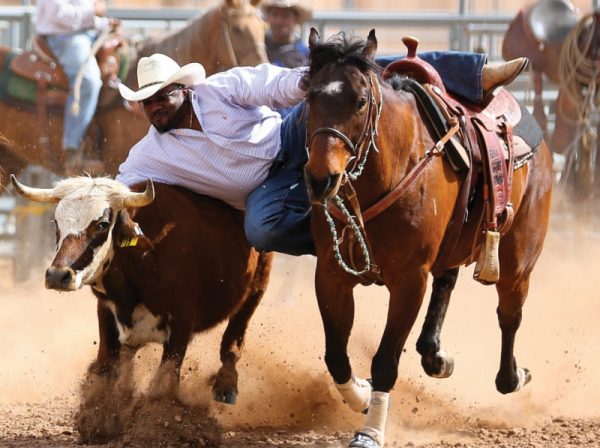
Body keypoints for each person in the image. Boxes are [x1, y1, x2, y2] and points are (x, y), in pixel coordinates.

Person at [116, 50, 527, 257]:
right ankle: (343, 243)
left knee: (349, 71)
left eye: (162, 96)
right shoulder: (150, 154)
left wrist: (309, 81)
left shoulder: (219, 89)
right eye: (148, 101)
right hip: (268, 187)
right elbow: (116, 185)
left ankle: (471, 72)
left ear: (183, 90)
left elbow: (267, 85)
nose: (155, 107)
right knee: (261, 231)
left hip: (292, 134)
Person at [35, 0, 119, 175]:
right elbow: (59, 15)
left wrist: (104, 22)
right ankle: (73, 150)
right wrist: (94, 10)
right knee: (89, 81)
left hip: (87, 31)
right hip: (64, 35)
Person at [262, 0, 312, 69]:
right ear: (268, 17)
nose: (278, 21)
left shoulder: (304, 54)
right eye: (274, 15)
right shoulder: (258, 48)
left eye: (285, 16)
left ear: (296, 19)